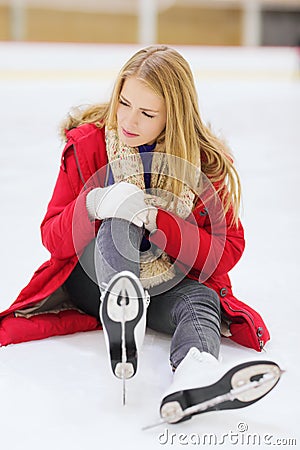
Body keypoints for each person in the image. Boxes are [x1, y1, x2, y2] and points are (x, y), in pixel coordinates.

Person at [0, 45, 282, 423]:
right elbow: (52, 236)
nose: (129, 120)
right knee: (120, 218)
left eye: (147, 113)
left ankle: (194, 376)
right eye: (124, 103)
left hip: (165, 283)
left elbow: (226, 250)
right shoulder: (89, 144)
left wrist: (159, 221)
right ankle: (122, 308)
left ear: (174, 117)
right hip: (95, 281)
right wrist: (95, 203)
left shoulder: (204, 163)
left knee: (201, 300)